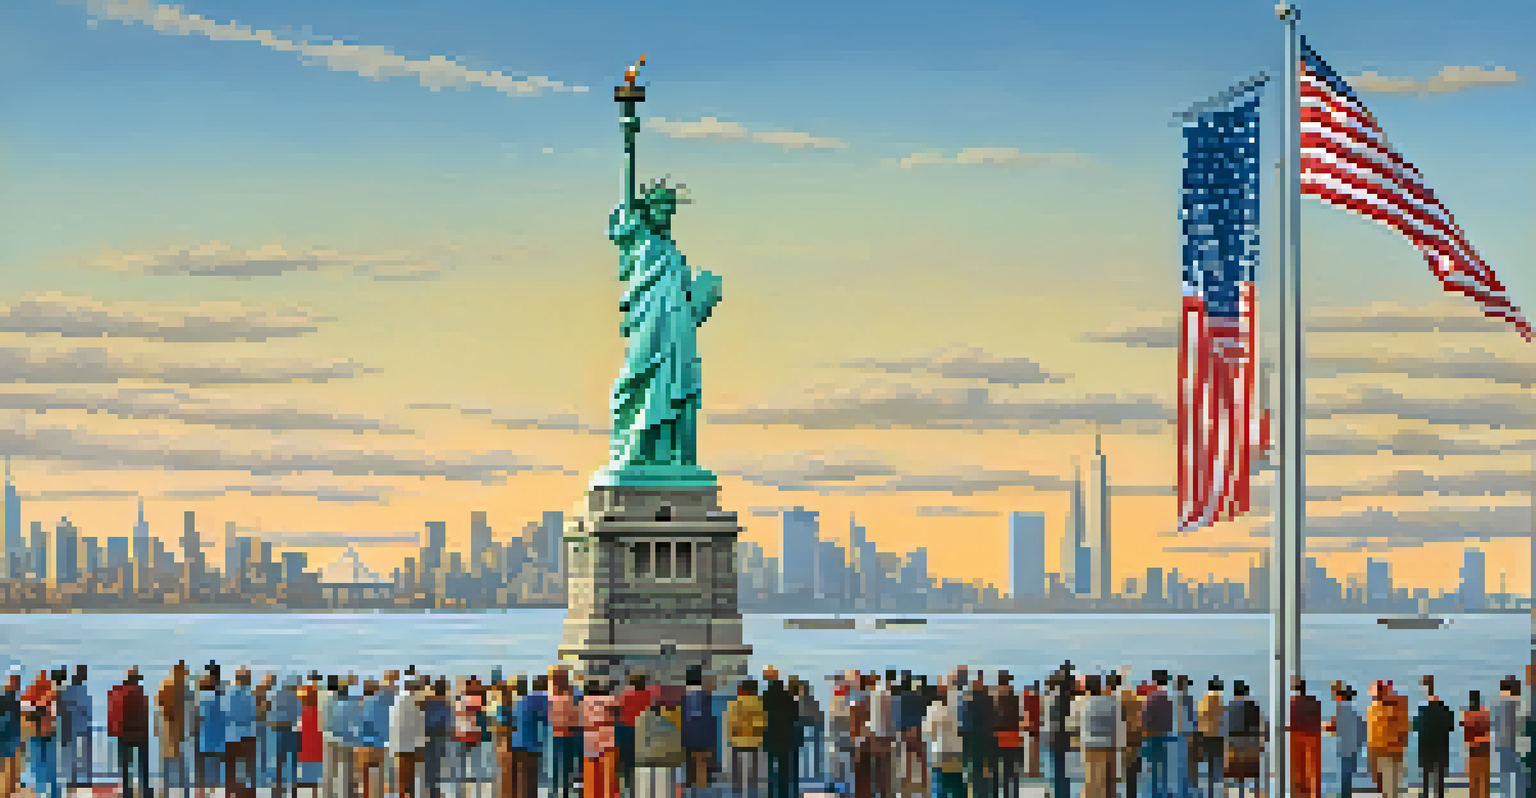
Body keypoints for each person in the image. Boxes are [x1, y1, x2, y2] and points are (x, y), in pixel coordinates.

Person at [108, 667, 152, 798]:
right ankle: (145, 791)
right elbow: (144, 715)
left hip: (124, 734)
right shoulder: (140, 693)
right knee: (143, 768)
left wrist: (114, 732)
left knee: (126, 768)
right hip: (140, 734)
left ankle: (127, 793)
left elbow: (113, 714)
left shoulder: (118, 693)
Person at [635, 688, 685, 798]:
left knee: (645, 792)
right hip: (665, 761)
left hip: (646, 761)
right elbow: (675, 742)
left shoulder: (641, 719)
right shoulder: (673, 719)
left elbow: (639, 743)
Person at [1080, 674, 1121, 798]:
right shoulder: (1111, 702)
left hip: (1089, 744)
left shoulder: (1084, 704)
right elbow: (1117, 725)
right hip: (1109, 744)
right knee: (1108, 780)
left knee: (1091, 779)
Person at [1366, 681, 1409, 798]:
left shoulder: (1396, 706)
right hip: (1380, 751)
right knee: (1385, 786)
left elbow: (1403, 729)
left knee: (1390, 786)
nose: (1374, 696)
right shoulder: (1373, 709)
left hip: (1389, 751)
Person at [1413, 676, 1455, 798]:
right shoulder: (1445, 710)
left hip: (1426, 748)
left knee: (1426, 777)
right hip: (1441, 747)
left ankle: (1425, 794)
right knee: (1439, 779)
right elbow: (1451, 727)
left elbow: (1416, 727)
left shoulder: (1422, 710)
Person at [22, 670, 61, 798]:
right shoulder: (52, 694)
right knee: (49, 767)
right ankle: (51, 793)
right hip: (47, 733)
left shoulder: (33, 695)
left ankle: (43, 793)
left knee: (39, 767)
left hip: (38, 733)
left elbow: (24, 709)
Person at [1221, 680, 1263, 798]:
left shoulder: (1229, 707)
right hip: (1251, 744)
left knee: (1236, 773)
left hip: (1234, 743)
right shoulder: (1254, 706)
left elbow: (1225, 729)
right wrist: (1260, 743)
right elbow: (1258, 726)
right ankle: (1256, 794)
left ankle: (1237, 794)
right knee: (1253, 772)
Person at [922, 679, 962, 798]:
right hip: (955, 752)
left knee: (939, 789)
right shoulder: (955, 707)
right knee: (956, 788)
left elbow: (928, 732)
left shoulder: (932, 709)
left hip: (939, 753)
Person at [726, 679, 767, 798]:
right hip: (754, 739)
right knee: (754, 766)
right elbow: (764, 723)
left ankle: (737, 788)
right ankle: (753, 787)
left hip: (738, 740)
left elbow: (730, 723)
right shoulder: (760, 703)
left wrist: (732, 736)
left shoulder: (734, 704)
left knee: (737, 766)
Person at [681, 666, 716, 795]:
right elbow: (709, 717)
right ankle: (701, 790)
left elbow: (683, 717)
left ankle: (691, 789)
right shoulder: (706, 695)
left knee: (689, 763)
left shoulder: (684, 697)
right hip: (703, 733)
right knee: (702, 762)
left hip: (689, 733)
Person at [1324, 683, 1363, 798]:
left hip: (1346, 748)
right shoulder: (1353, 711)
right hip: (1353, 747)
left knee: (1345, 777)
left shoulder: (1341, 710)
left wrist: (1326, 727)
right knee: (1348, 776)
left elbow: (1336, 728)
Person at [226, 668, 259, 798]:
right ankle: (248, 794)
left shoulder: (228, 695)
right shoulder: (250, 697)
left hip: (231, 735)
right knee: (249, 770)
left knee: (231, 770)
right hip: (248, 736)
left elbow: (225, 715)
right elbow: (253, 716)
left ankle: (230, 794)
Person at [547, 670, 580, 798]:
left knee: (557, 764)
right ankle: (565, 790)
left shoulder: (553, 697)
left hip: (558, 734)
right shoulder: (571, 695)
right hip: (569, 734)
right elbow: (576, 715)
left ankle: (555, 790)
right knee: (567, 765)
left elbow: (550, 717)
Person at [1288, 678, 1322, 798]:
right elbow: (1318, 718)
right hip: (1313, 736)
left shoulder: (1290, 703)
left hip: (1296, 737)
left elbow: (1288, 721)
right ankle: (1314, 794)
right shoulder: (1314, 701)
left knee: (1298, 771)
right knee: (1313, 770)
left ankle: (1299, 795)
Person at [195, 667, 226, 798]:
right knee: (215, 771)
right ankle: (212, 792)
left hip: (206, 739)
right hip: (217, 740)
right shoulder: (219, 699)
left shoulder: (203, 700)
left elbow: (197, 718)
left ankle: (203, 792)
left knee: (203, 771)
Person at [270, 676, 302, 798]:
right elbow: (298, 715)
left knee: (280, 761)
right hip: (292, 730)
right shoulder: (296, 698)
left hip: (280, 730)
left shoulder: (277, 696)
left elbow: (273, 714)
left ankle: (278, 788)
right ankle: (293, 789)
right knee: (293, 762)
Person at [61, 665, 91, 791]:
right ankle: (78, 780)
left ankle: (75, 780)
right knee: (78, 755)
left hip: (75, 726)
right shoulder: (76, 690)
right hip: (77, 726)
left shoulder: (70, 689)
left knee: (74, 756)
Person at [1494, 677, 1524, 798]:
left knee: (1505, 776)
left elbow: (1496, 724)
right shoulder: (1519, 703)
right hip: (1517, 744)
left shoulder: (1499, 703)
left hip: (1503, 744)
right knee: (1521, 776)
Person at [1195, 678, 1224, 798]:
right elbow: (1222, 720)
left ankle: (1207, 790)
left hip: (1204, 735)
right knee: (1215, 766)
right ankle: (1213, 791)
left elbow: (1199, 718)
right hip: (1216, 736)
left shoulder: (1203, 701)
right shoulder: (1219, 701)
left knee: (1206, 765)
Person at [297, 676, 324, 796]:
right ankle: (313, 789)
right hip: (311, 728)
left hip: (310, 728)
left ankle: (311, 788)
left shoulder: (307, 691)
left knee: (310, 761)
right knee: (312, 761)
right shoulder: (319, 694)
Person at [1466, 690, 1493, 798]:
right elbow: (1488, 729)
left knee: (1474, 779)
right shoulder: (1485, 713)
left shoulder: (1468, 714)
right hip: (1485, 747)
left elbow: (1467, 736)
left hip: (1474, 748)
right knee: (1485, 778)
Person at [1, 673, 21, 798]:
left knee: (11, 773)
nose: (16, 685)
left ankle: (8, 793)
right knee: (7, 771)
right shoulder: (4, 699)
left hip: (12, 740)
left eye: (17, 682)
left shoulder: (16, 701)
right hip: (6, 740)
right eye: (14, 682)